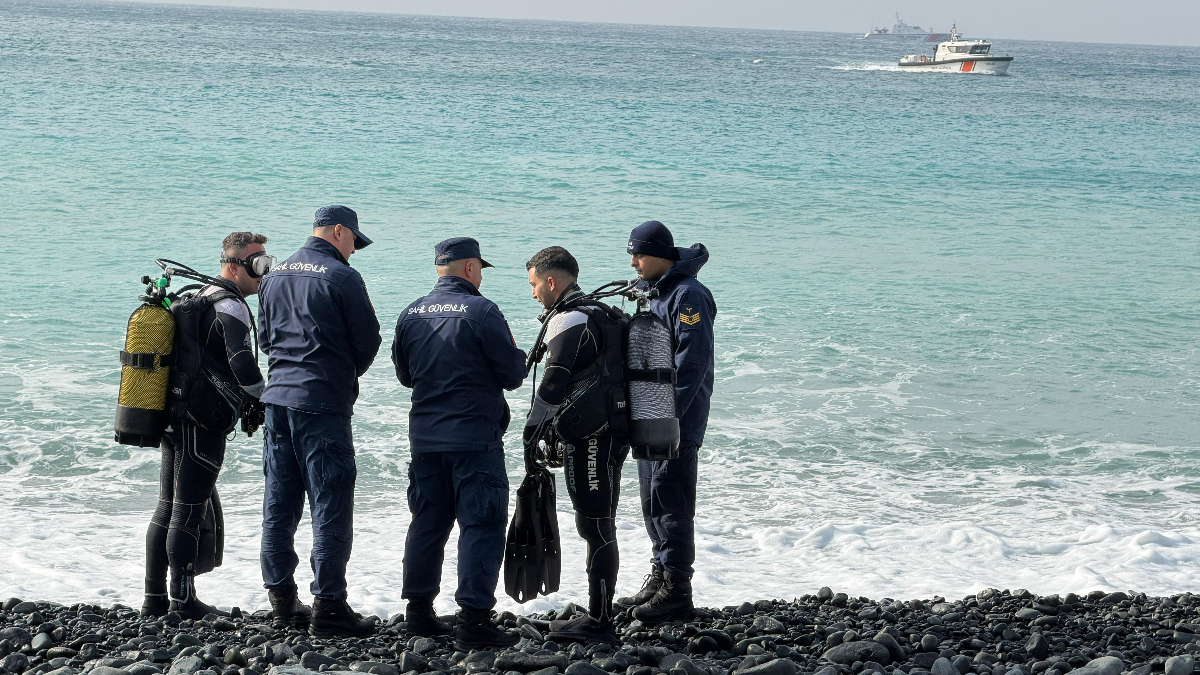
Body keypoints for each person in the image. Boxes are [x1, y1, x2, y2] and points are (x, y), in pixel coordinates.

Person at [391, 237, 527, 650]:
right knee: (481, 524)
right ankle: (473, 620)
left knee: (428, 523)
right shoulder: (482, 311)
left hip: (426, 438)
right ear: (470, 268)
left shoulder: (410, 313)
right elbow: (512, 375)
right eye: (481, 268)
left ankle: (418, 613)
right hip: (474, 438)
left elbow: (404, 375)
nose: (482, 275)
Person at [256, 206, 382, 637]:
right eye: (353, 242)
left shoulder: (273, 274)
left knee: (279, 501)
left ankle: (282, 601)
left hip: (277, 399)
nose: (353, 250)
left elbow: (265, 340)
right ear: (339, 232)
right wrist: (341, 373)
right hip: (321, 402)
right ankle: (329, 605)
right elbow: (368, 340)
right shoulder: (341, 276)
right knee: (329, 503)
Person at [142, 232, 273, 619]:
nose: (265, 273)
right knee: (187, 510)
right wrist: (263, 400)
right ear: (233, 265)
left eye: (268, 263)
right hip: (201, 424)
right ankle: (183, 603)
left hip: (172, 415)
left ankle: (154, 601)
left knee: (166, 507)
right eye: (258, 265)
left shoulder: (193, 297)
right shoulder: (230, 305)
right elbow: (243, 363)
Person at [523, 246, 628, 645]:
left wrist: (530, 433)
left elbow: (552, 384)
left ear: (552, 281)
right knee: (600, 523)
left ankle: (600, 622)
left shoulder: (570, 318)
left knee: (595, 525)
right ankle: (599, 612)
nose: (533, 294)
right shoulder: (600, 312)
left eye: (534, 285)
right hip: (612, 434)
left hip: (591, 441)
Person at [616, 221, 716, 624]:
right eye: (631, 255)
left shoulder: (688, 295)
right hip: (649, 416)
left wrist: (666, 415)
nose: (634, 261)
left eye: (639, 254)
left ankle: (678, 589)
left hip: (675, 419)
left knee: (670, 499)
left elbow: (691, 363)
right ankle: (659, 575)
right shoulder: (654, 293)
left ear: (662, 254)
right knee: (650, 500)